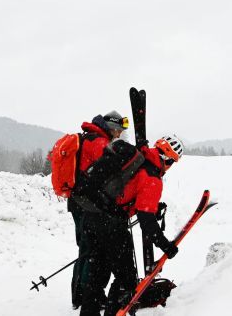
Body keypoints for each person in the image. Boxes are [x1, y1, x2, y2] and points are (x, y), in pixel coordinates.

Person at [78, 134, 185, 316]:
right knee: (126, 279)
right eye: (172, 162)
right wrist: (165, 245)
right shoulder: (152, 177)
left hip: (91, 214)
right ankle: (115, 312)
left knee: (97, 271)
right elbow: (146, 220)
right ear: (167, 160)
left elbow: (129, 191)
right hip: (111, 224)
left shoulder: (138, 157)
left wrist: (152, 206)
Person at [68, 111, 128, 308]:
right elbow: (108, 171)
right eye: (118, 130)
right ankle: (86, 296)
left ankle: (81, 295)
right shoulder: (99, 143)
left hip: (79, 201)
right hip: (87, 203)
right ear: (110, 128)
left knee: (86, 249)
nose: (119, 135)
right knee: (90, 250)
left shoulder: (89, 138)